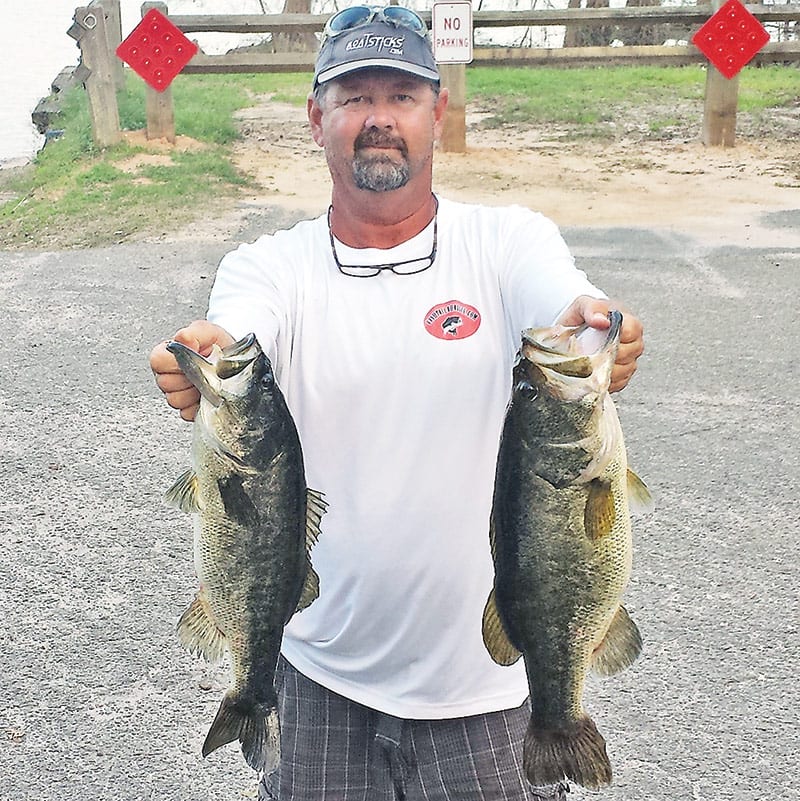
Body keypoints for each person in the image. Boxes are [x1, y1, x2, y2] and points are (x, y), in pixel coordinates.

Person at [150, 6, 644, 800]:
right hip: (312, 672)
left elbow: (568, 307)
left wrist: (595, 326)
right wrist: (205, 349)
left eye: (402, 95)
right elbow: (237, 326)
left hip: (486, 690)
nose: (379, 117)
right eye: (353, 96)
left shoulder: (507, 242)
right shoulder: (271, 266)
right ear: (318, 117)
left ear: (437, 111)